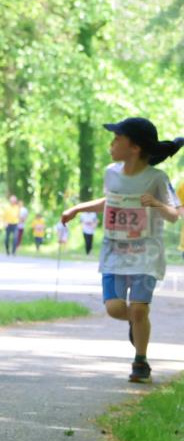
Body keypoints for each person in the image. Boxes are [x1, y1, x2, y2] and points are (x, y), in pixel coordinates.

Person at [61, 117, 182, 383]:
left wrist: (155, 204)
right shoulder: (111, 173)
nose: (111, 144)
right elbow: (111, 201)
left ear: (135, 147)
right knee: (115, 309)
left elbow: (175, 214)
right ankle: (137, 323)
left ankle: (140, 361)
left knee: (139, 309)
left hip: (146, 254)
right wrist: (77, 209)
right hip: (114, 252)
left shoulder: (157, 179)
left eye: (117, 139)